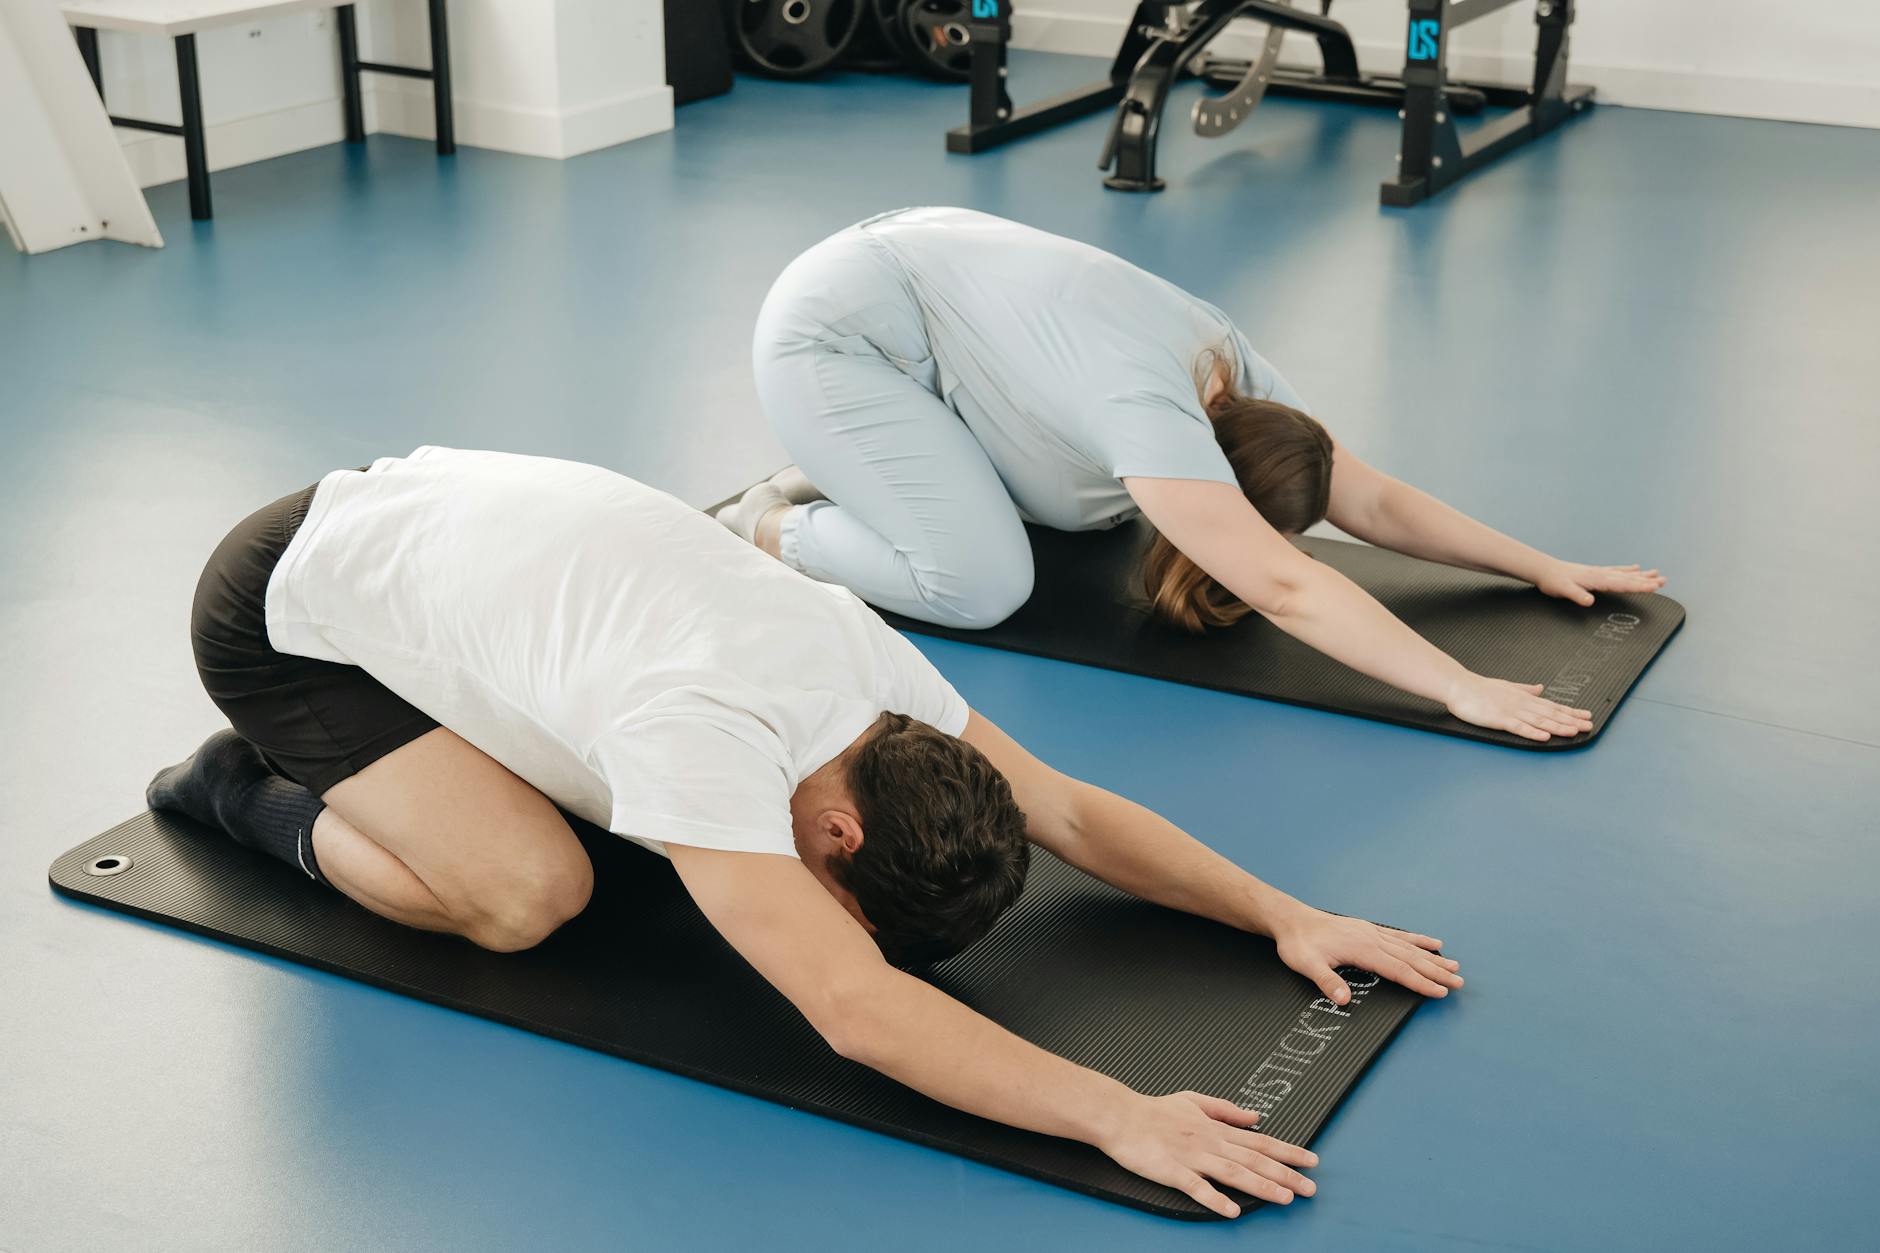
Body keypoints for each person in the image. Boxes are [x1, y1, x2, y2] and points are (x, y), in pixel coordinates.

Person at [148, 446, 1462, 1219]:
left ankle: (447, 753)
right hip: (280, 603)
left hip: (439, 543)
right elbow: (855, 1012)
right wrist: (1120, 1117)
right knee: (532, 896)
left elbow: (1063, 807)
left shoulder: (866, 672)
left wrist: (1288, 911)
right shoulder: (698, 731)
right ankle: (250, 794)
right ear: (836, 831)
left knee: (637, 839)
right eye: (839, 891)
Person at [719, 207, 1666, 743]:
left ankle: (875, 463)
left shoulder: (1237, 377)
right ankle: (771, 519)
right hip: (837, 330)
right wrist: (1458, 685)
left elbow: (1366, 494)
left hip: (919, 281)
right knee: (983, 584)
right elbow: (1289, 587)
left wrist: (1536, 563)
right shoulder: (1147, 414)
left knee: (1082, 512)